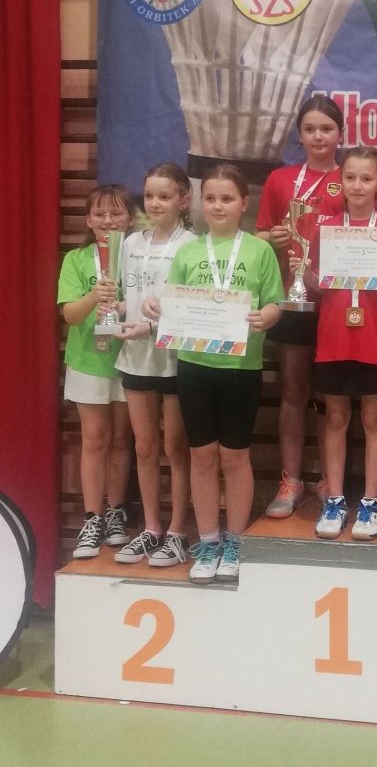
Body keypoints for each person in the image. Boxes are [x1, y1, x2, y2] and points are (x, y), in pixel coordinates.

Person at [157, 164, 284, 584]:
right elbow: (172, 302)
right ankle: (209, 539)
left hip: (240, 368)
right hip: (195, 366)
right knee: (201, 455)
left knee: (234, 456)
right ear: (200, 202)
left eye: (227, 198)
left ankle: (235, 540)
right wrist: (157, 307)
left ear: (243, 203)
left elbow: (275, 302)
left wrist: (268, 315)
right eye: (210, 198)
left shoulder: (259, 251)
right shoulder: (188, 252)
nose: (217, 206)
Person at [302, 146, 377, 540]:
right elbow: (318, 287)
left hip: (375, 340)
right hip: (333, 338)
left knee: (374, 419)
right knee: (335, 419)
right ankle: (335, 499)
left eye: (366, 178)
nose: (357, 185)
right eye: (350, 177)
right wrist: (307, 274)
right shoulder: (325, 230)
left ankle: (370, 501)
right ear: (340, 181)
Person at [256, 95, 345, 518]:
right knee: (292, 390)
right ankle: (290, 479)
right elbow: (258, 235)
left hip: (336, 303)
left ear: (340, 134)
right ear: (299, 135)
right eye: (310, 129)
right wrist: (271, 237)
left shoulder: (351, 178)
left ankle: (330, 479)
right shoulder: (281, 180)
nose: (318, 136)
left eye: (326, 129)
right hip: (290, 301)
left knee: (331, 395)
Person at [114, 164, 196, 566]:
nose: (155, 203)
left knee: (175, 448)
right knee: (144, 447)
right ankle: (151, 528)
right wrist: (114, 310)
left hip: (175, 358)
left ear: (184, 200)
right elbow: (125, 295)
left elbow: (192, 307)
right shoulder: (129, 243)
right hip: (135, 356)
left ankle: (177, 531)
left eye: (164, 196)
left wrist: (152, 326)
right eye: (149, 196)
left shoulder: (192, 245)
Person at [58, 184, 136, 559]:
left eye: (116, 213)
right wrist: (96, 295)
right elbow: (70, 315)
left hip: (130, 359)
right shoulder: (76, 260)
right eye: (100, 214)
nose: (108, 220)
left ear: (130, 218)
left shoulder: (137, 256)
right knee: (94, 438)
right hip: (88, 360)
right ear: (88, 220)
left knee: (122, 439)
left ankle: (116, 512)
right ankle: (92, 517)